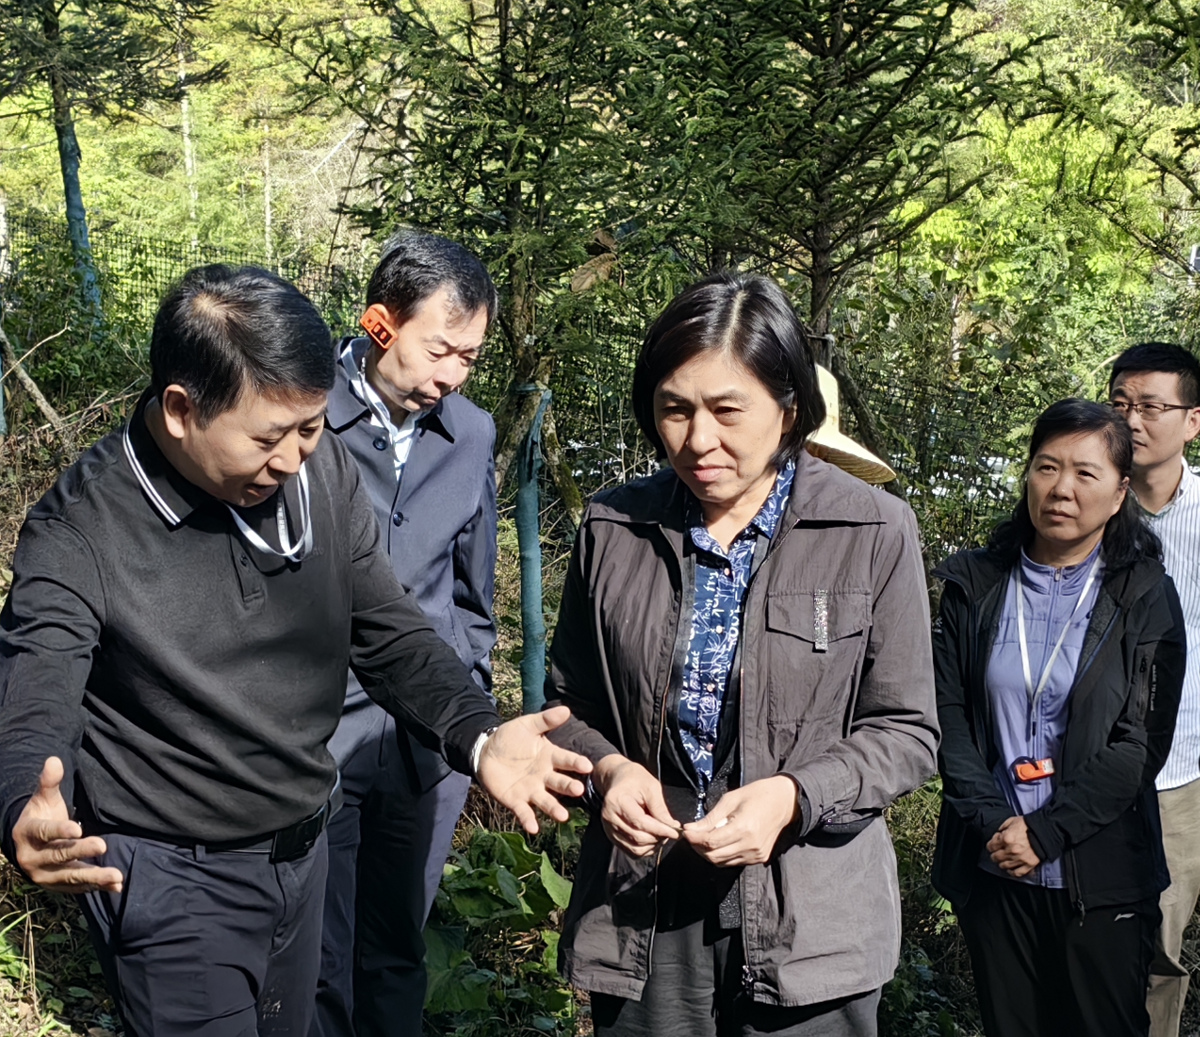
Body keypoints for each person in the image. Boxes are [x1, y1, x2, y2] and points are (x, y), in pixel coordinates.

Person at [0, 264, 591, 1037]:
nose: (293, 458)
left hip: (303, 856)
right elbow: (36, 678)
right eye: (269, 437)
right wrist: (24, 794)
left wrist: (476, 732)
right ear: (181, 410)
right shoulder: (82, 531)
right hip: (174, 882)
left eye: (311, 426)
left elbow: (387, 627)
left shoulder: (320, 472)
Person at [544, 272, 939, 1037]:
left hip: (812, 919)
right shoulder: (614, 527)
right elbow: (571, 709)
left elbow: (907, 730)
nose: (698, 440)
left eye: (728, 411)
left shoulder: (871, 529)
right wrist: (610, 771)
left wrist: (794, 795)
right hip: (645, 910)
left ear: (789, 409)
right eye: (674, 410)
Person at [932, 399, 1186, 1037]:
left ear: (1121, 490)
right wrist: (997, 825)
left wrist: (1046, 832)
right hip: (995, 868)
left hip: (1100, 877)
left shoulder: (1143, 592)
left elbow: (1139, 744)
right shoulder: (975, 582)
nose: (1062, 489)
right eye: (1047, 467)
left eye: (1085, 474)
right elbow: (947, 716)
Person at [314, 231, 499, 1037]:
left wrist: (470, 691)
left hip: (425, 746)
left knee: (397, 950)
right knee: (317, 955)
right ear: (380, 324)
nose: (451, 375)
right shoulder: (301, 418)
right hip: (319, 735)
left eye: (469, 357)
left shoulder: (472, 435)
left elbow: (474, 589)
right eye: (440, 350)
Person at [1107, 343, 1200, 1037]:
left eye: (1151, 406)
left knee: (1161, 950)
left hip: (1183, 774)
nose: (1133, 420)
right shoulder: (1083, 502)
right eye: (1120, 404)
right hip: (1087, 767)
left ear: (1192, 421)